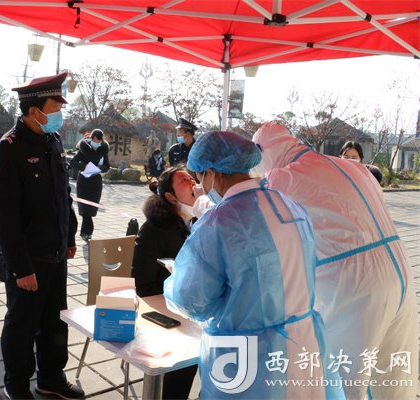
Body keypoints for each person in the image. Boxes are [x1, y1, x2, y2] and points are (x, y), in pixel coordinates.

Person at [164, 131, 343, 399]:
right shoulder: (291, 207)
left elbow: (191, 300)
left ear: (212, 173)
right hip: (305, 344)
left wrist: (175, 278)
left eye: (200, 177)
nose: (201, 185)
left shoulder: (219, 222)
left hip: (249, 358)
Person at [252, 122, 417, 399]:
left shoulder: (281, 178)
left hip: (355, 284)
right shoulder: (353, 167)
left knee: (344, 381)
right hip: (400, 270)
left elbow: (248, 215)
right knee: (393, 375)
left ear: (263, 153)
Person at [0, 71, 83, 400]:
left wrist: (69, 237)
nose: (60, 115)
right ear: (33, 111)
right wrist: (21, 267)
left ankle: (51, 378)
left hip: (55, 253)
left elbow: (63, 195)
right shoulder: (7, 150)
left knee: (55, 322)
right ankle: (16, 384)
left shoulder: (51, 142)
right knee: (22, 325)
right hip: (28, 259)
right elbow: (4, 218)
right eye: (55, 108)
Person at [132, 167, 198, 400]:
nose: (192, 181)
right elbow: (144, 285)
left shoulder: (202, 221)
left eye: (191, 176)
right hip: (167, 312)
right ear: (170, 196)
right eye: (183, 179)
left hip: (195, 308)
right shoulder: (154, 229)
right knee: (186, 361)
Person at [69, 128, 110, 242]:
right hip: (84, 181)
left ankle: (85, 232)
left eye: (98, 141)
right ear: (91, 139)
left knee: (91, 209)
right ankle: (86, 232)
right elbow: (72, 162)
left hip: (96, 182)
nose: (96, 142)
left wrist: (100, 168)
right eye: (94, 140)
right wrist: (85, 167)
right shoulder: (84, 149)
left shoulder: (103, 150)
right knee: (85, 209)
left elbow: (107, 166)